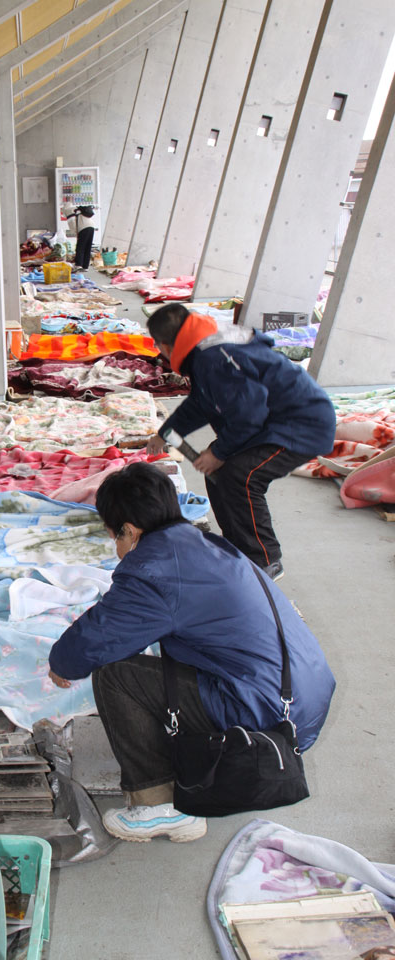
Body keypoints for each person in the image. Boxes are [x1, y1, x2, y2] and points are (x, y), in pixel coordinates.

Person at [48, 462, 335, 843]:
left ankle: (160, 806)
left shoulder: (154, 569)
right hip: (300, 701)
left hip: (265, 714)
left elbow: (97, 638)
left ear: (129, 530)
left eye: (113, 536)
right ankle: (185, 756)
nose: (116, 547)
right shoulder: (202, 543)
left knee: (116, 676)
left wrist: (60, 662)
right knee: (162, 659)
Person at [145, 303, 336, 580]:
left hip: (302, 425)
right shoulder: (204, 349)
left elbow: (249, 415)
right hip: (273, 423)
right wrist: (166, 432)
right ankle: (236, 547)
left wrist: (219, 452)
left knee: (242, 475)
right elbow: (201, 403)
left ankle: (264, 560)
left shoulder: (214, 357)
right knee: (218, 475)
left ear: (164, 345)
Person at [63, 203, 95, 270]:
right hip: (91, 226)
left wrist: (76, 233)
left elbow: (73, 225)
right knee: (88, 247)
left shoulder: (68, 211)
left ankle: (79, 265)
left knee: (80, 247)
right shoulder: (76, 208)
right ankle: (85, 266)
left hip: (83, 228)